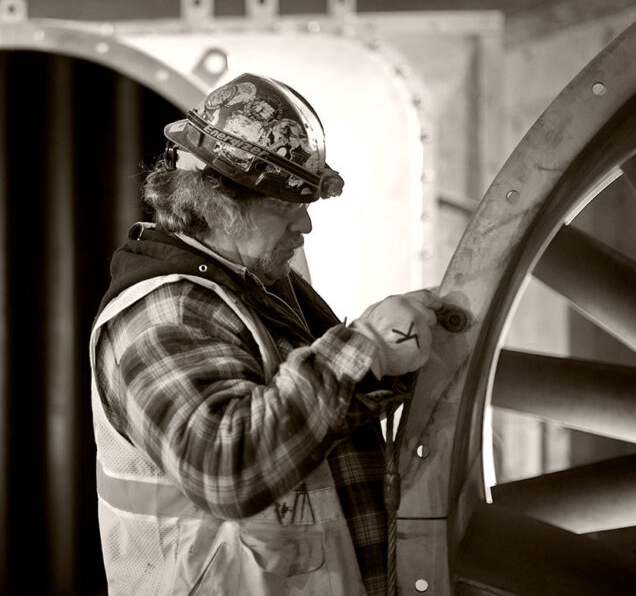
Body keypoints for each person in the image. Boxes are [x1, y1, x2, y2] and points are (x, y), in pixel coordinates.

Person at [89, 73, 442, 595]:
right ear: (219, 202)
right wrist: (366, 347)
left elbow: (308, 410)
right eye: (286, 206)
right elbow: (227, 466)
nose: (305, 226)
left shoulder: (259, 286)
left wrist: (389, 354)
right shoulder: (166, 314)